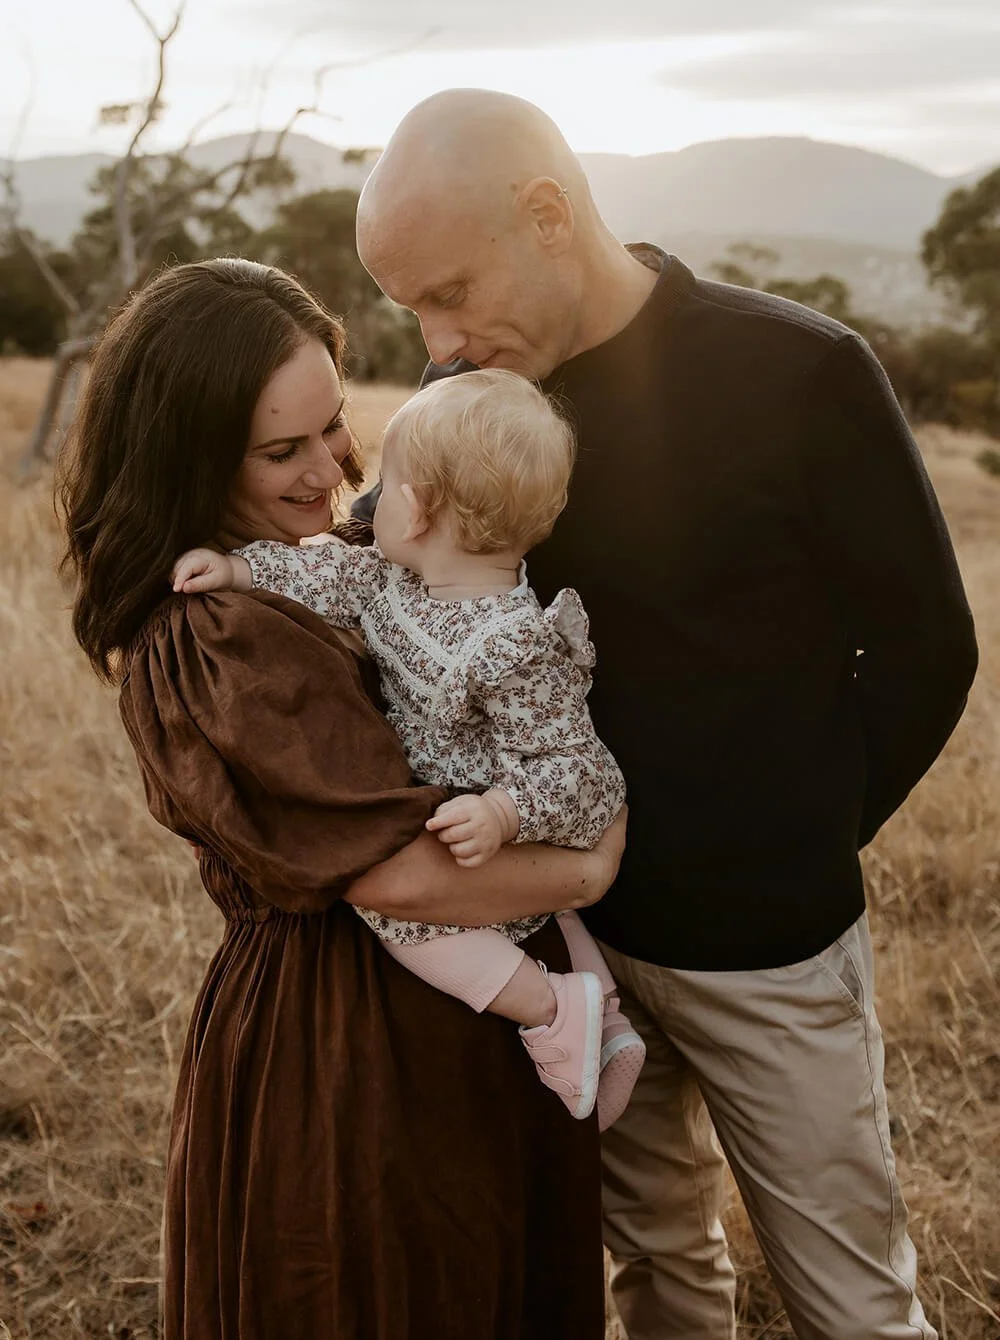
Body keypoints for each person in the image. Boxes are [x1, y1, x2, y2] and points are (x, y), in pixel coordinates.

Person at [349, 89, 980, 1340]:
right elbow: (383, 563)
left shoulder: (798, 368)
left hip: (768, 944)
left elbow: (925, 647)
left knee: (849, 1299)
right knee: (654, 1272)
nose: (439, 339)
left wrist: (802, 836)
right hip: (573, 948)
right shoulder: (471, 402)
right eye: (411, 312)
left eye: (452, 293)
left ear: (547, 215)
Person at [58, 256, 626, 1340]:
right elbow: (398, 869)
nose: (333, 473)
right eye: (282, 450)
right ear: (188, 458)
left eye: (333, 426)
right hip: (347, 1052)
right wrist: (590, 863)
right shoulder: (217, 634)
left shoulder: (338, 565)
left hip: (449, 1016)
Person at [171, 368, 643, 1128]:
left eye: (386, 487)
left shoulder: (512, 642)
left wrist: (504, 812)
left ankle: (555, 1008)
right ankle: (610, 1024)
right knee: (555, 913)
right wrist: (240, 568)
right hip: (469, 827)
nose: (364, 498)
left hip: (500, 825)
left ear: (418, 510)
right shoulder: (400, 582)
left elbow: (574, 769)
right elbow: (329, 570)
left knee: (410, 927)